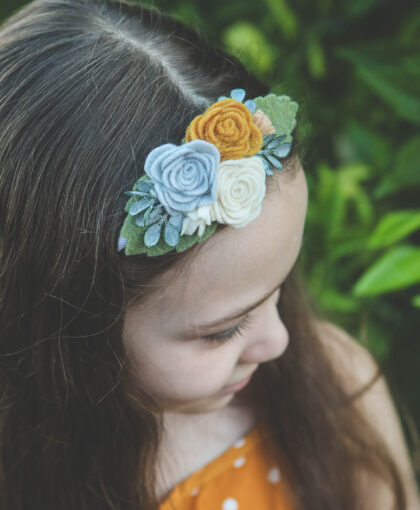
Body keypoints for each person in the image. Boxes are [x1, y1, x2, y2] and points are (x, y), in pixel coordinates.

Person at [0, 0, 418, 509]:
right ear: (65, 327)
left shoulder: (336, 385)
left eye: (279, 289)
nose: (280, 340)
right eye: (223, 330)